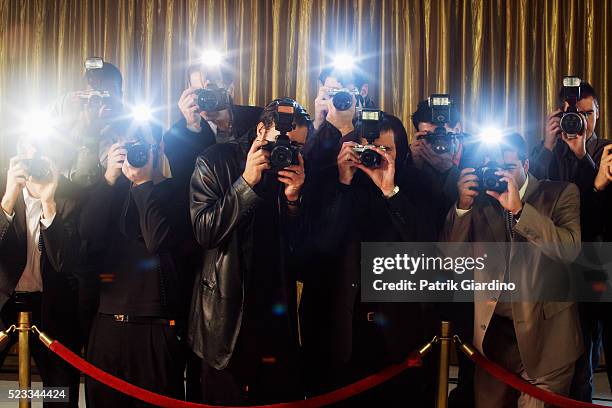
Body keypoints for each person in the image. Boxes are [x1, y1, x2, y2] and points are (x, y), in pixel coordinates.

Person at [300, 112, 437, 406]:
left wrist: (390, 191)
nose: (375, 155)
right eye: (367, 148)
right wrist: (342, 182)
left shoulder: (417, 185)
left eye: (385, 149)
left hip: (397, 337)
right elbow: (320, 246)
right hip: (338, 331)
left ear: (400, 153)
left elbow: (426, 249)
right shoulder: (329, 179)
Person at [443, 133, 583, 408]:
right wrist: (462, 208)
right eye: (496, 169)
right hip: (494, 341)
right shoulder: (479, 201)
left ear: (526, 165)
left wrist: (520, 210)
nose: (502, 176)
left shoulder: (560, 193)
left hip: (547, 339)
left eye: (509, 168)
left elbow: (569, 250)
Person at [189, 98, 311, 405]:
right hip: (225, 318)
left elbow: (305, 256)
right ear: (260, 130)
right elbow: (205, 231)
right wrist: (246, 183)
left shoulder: (298, 171)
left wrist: (295, 200)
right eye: (280, 141)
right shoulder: (215, 160)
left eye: (296, 145)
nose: (287, 151)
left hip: (276, 317)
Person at [80, 123, 186, 407]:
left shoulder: (177, 190)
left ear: (159, 148)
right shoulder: (108, 190)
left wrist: (142, 184)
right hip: (105, 325)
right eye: (127, 147)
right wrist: (108, 180)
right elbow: (87, 235)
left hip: (156, 325)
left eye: (141, 146)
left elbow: (156, 240)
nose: (134, 154)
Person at [530, 81, 612, 401]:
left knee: (586, 351)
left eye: (586, 114)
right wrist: (548, 145)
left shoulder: (606, 150)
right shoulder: (548, 150)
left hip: (595, 263)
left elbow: (601, 207)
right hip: (554, 261)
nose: (579, 122)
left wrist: (582, 157)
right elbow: (529, 195)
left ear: (598, 113)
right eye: (571, 114)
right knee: (559, 354)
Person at [0, 136, 81, 407]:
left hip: (51, 305)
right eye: (27, 152)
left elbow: (65, 263)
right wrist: (8, 200)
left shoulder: (70, 195)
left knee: (58, 393)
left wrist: (49, 203)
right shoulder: (4, 187)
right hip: (3, 302)